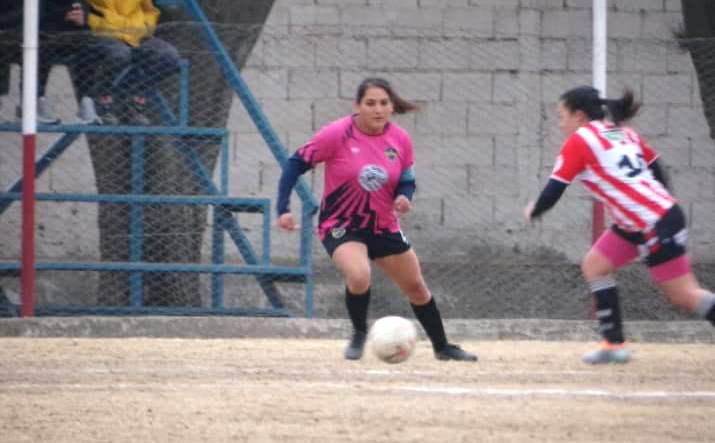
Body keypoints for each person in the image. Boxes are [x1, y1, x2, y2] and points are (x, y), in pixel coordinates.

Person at [276, 77, 477, 362]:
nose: (377, 109)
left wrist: (404, 197)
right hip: (341, 224)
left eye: (383, 103)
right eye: (370, 103)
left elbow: (406, 180)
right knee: (359, 275)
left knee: (416, 287)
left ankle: (442, 347)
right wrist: (283, 208)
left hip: (383, 225)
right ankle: (359, 333)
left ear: (392, 107)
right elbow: (295, 163)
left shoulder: (400, 139)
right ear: (357, 106)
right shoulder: (337, 134)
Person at [523, 85, 715, 364]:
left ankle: (614, 345)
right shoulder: (620, 131)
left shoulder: (580, 141)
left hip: (653, 223)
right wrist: (658, 203)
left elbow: (554, 189)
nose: (560, 123)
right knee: (595, 266)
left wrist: (534, 210)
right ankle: (614, 346)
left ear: (578, 115)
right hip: (641, 222)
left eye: (561, 115)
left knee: (684, 296)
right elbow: (657, 166)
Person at [83, 0, 181, 125]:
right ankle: (102, 99)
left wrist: (146, 26)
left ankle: (134, 96)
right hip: (104, 32)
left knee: (169, 56)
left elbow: (149, 10)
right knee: (120, 54)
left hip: (137, 35)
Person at [0, 0, 98, 124]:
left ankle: (87, 102)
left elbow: (78, 5)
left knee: (91, 45)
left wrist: (81, 15)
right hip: (18, 33)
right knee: (39, 46)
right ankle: (29, 105)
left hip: (56, 31)